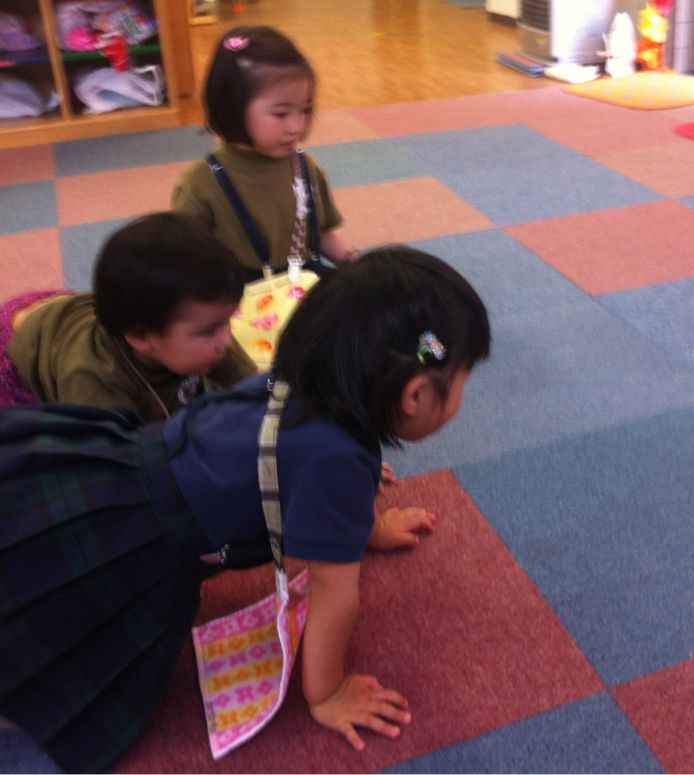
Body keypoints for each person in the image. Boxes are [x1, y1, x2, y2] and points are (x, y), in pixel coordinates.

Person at [0, 245, 492, 772]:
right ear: (415, 396)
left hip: (116, 467)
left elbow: (321, 485)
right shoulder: (334, 460)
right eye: (462, 381)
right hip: (135, 537)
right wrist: (327, 692)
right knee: (45, 626)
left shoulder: (297, 386)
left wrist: (366, 528)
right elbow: (335, 593)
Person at [0, 212, 256, 422]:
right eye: (210, 330)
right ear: (142, 336)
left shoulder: (205, 330)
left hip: (72, 311)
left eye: (227, 320)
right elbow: (111, 460)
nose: (227, 341)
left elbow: (257, 388)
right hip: (20, 352)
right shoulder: (93, 382)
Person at [172, 25, 354, 281]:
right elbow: (185, 263)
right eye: (281, 114)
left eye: (305, 110)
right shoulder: (200, 184)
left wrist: (353, 263)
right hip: (237, 292)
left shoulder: (305, 167)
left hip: (303, 281)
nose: (297, 126)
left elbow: (320, 234)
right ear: (233, 106)